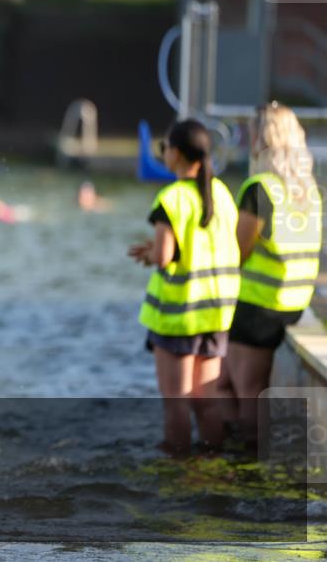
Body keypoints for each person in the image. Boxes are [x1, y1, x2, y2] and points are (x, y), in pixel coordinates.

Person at [128, 119, 240, 456]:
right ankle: (212, 461)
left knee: (175, 403)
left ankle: (176, 468)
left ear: (175, 153)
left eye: (165, 149)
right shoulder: (221, 193)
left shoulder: (172, 197)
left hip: (178, 317)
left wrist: (151, 254)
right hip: (216, 314)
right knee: (205, 401)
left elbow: (165, 256)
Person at [225, 102, 321, 444]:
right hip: (295, 302)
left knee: (248, 389)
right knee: (236, 382)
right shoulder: (308, 190)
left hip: (258, 306)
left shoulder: (259, 188)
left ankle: (247, 460)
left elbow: (239, 249)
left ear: (261, 138)